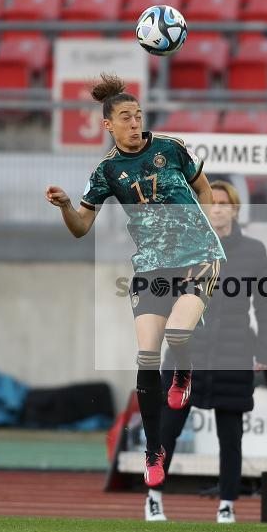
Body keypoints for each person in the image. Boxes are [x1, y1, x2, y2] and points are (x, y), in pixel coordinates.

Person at [45, 74, 225, 489]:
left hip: (198, 256)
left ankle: (183, 373)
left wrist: (207, 227)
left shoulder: (170, 148)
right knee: (146, 354)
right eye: (126, 116)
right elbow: (80, 228)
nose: (135, 122)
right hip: (151, 266)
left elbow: (202, 187)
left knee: (178, 334)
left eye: (139, 115)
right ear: (108, 124)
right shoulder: (107, 170)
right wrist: (67, 205)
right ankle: (153, 449)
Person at [146, 181, 267, 524]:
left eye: (223, 203)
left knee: (230, 436)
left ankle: (227, 505)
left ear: (235, 209)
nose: (216, 208)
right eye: (211, 202)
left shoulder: (254, 251)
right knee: (167, 430)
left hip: (234, 353)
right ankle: (154, 498)